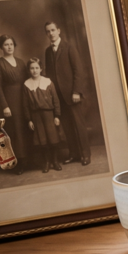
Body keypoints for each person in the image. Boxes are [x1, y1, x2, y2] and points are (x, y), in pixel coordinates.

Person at [43, 20, 90, 166]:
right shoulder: (48, 52)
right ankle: (74, 154)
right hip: (58, 97)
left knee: (79, 126)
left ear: (59, 30)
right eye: (48, 31)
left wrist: (76, 91)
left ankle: (85, 155)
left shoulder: (69, 47)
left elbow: (78, 71)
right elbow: (49, 75)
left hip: (72, 95)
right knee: (67, 128)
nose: (50, 33)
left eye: (52, 30)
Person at [0, 35, 30, 174]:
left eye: (11, 44)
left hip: (23, 100)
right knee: (15, 131)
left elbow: (28, 82)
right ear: (1, 47)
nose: (9, 47)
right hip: (10, 101)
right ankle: (17, 163)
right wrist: (5, 106)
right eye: (6, 44)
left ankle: (28, 160)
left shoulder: (20, 62)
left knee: (25, 128)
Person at [23, 57, 64, 173]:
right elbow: (25, 104)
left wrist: (57, 115)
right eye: (32, 68)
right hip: (36, 116)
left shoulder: (48, 82)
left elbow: (56, 100)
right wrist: (29, 120)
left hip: (49, 114)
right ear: (28, 70)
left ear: (41, 69)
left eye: (37, 68)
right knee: (42, 141)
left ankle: (55, 161)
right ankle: (46, 162)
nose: (34, 70)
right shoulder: (26, 84)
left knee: (53, 139)